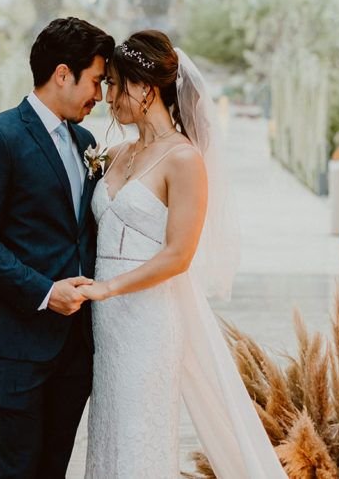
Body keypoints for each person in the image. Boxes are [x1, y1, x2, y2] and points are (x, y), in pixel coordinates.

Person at [79, 30, 287, 478]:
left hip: (148, 318)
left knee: (140, 434)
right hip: (106, 321)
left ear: (146, 89)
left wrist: (108, 287)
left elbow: (178, 255)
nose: (108, 96)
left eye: (115, 84)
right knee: (108, 429)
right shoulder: (114, 154)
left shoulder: (184, 160)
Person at [0, 16, 114, 479]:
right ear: (63, 73)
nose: (99, 96)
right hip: (17, 344)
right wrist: (46, 292)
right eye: (96, 81)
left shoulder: (86, 142)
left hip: (75, 347)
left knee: (52, 469)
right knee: (14, 470)